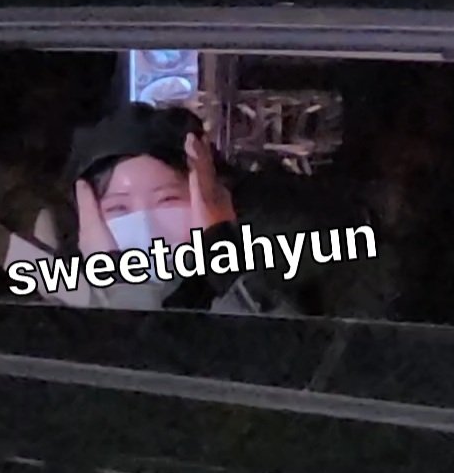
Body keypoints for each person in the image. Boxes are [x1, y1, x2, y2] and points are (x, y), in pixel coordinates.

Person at [66, 101, 296, 315]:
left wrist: (224, 261)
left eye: (167, 200)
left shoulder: (272, 281)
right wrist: (114, 283)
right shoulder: (63, 311)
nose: (147, 226)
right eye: (118, 208)